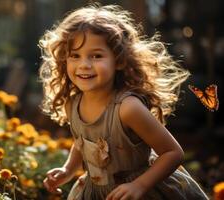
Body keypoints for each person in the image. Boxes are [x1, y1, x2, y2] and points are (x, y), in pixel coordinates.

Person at [39, 4, 209, 200]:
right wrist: (68, 170)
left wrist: (139, 186)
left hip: (143, 192)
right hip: (97, 192)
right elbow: (82, 143)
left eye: (96, 56)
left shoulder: (128, 108)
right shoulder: (73, 104)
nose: (84, 65)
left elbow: (173, 153)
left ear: (119, 60)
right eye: (75, 56)